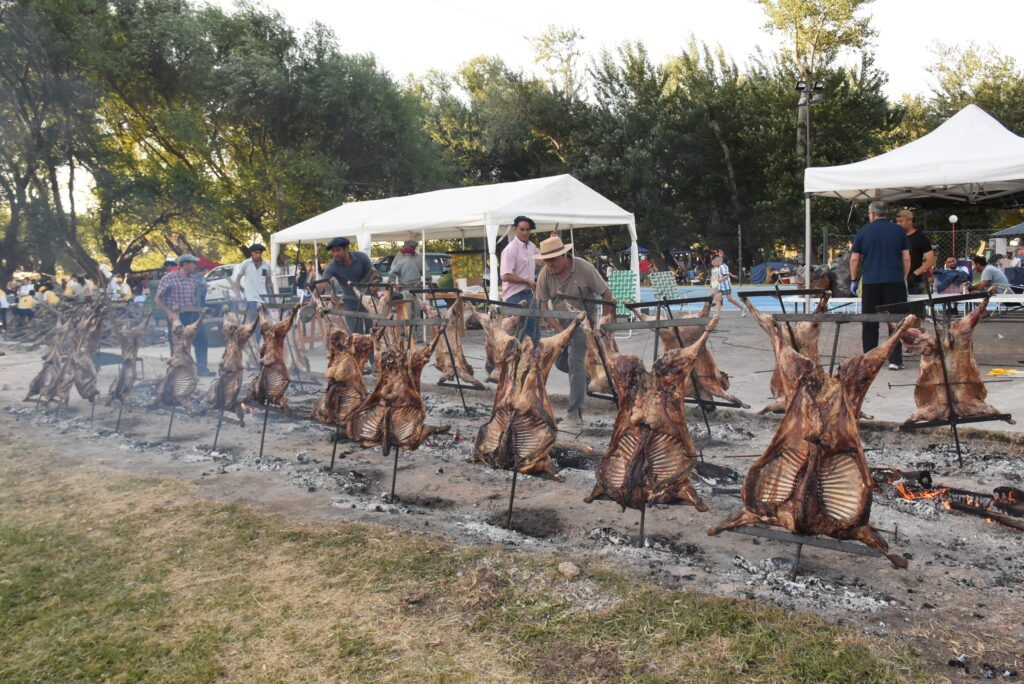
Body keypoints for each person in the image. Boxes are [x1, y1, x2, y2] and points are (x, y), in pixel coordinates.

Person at [534, 235, 615, 426]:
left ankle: (575, 414)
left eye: (552, 259)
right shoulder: (545, 275)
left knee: (575, 361)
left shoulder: (584, 268)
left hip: (583, 323)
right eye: (546, 260)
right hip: (562, 325)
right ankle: (593, 379)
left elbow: (606, 293)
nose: (549, 264)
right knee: (561, 363)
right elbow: (543, 308)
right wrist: (561, 331)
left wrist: (603, 323)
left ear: (563, 255)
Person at [849, 200, 911, 370]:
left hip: (871, 282)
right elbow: (906, 257)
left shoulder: (863, 232)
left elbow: (855, 258)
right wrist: (903, 277)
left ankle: (869, 360)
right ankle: (895, 360)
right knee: (896, 321)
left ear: (872, 214)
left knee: (869, 321)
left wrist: (854, 279)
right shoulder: (899, 231)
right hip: (895, 281)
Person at [155, 254, 211, 376]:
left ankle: (202, 369)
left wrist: (199, 311)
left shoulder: (193, 279)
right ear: (185, 264)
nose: (195, 266)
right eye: (193, 263)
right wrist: (169, 313)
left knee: (202, 340)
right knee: (178, 345)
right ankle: (178, 371)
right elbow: (158, 298)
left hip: (193, 314)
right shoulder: (168, 278)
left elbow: (195, 298)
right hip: (177, 316)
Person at [318, 236, 377, 337]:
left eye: (338, 250)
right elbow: (321, 284)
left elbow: (375, 275)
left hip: (368, 300)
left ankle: (372, 353)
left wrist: (374, 286)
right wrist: (311, 303)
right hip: (350, 302)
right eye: (333, 251)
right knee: (355, 336)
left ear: (346, 249)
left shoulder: (361, 257)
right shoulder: (333, 266)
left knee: (372, 333)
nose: (335, 254)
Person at [500, 215, 541, 342]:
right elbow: (505, 275)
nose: (525, 232)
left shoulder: (532, 247)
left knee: (534, 334)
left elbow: (544, 260)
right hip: (514, 296)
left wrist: (553, 241)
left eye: (527, 230)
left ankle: (529, 360)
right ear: (515, 229)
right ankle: (513, 360)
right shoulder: (510, 249)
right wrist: (526, 281)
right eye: (522, 229)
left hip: (529, 295)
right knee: (516, 336)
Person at [232, 243, 275, 340]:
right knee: (254, 323)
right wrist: (238, 296)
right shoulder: (246, 264)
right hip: (251, 298)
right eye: (256, 253)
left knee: (267, 322)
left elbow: (269, 282)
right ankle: (256, 344)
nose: (258, 255)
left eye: (260, 253)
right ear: (251, 253)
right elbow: (237, 280)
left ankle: (264, 344)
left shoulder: (266, 265)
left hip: (263, 298)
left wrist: (273, 297)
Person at [894, 209, 935, 294]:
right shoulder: (895, 237)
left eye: (901, 221)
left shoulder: (920, 237)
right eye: (897, 221)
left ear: (910, 221)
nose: (898, 224)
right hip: (895, 280)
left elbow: (931, 260)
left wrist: (915, 274)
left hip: (913, 283)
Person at [388, 240, 424, 318]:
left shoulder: (401, 262)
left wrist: (394, 284)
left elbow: (391, 273)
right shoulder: (418, 260)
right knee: (417, 312)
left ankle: (407, 329)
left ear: (404, 253)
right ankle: (416, 328)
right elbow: (426, 272)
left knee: (407, 312)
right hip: (418, 289)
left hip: (406, 290)